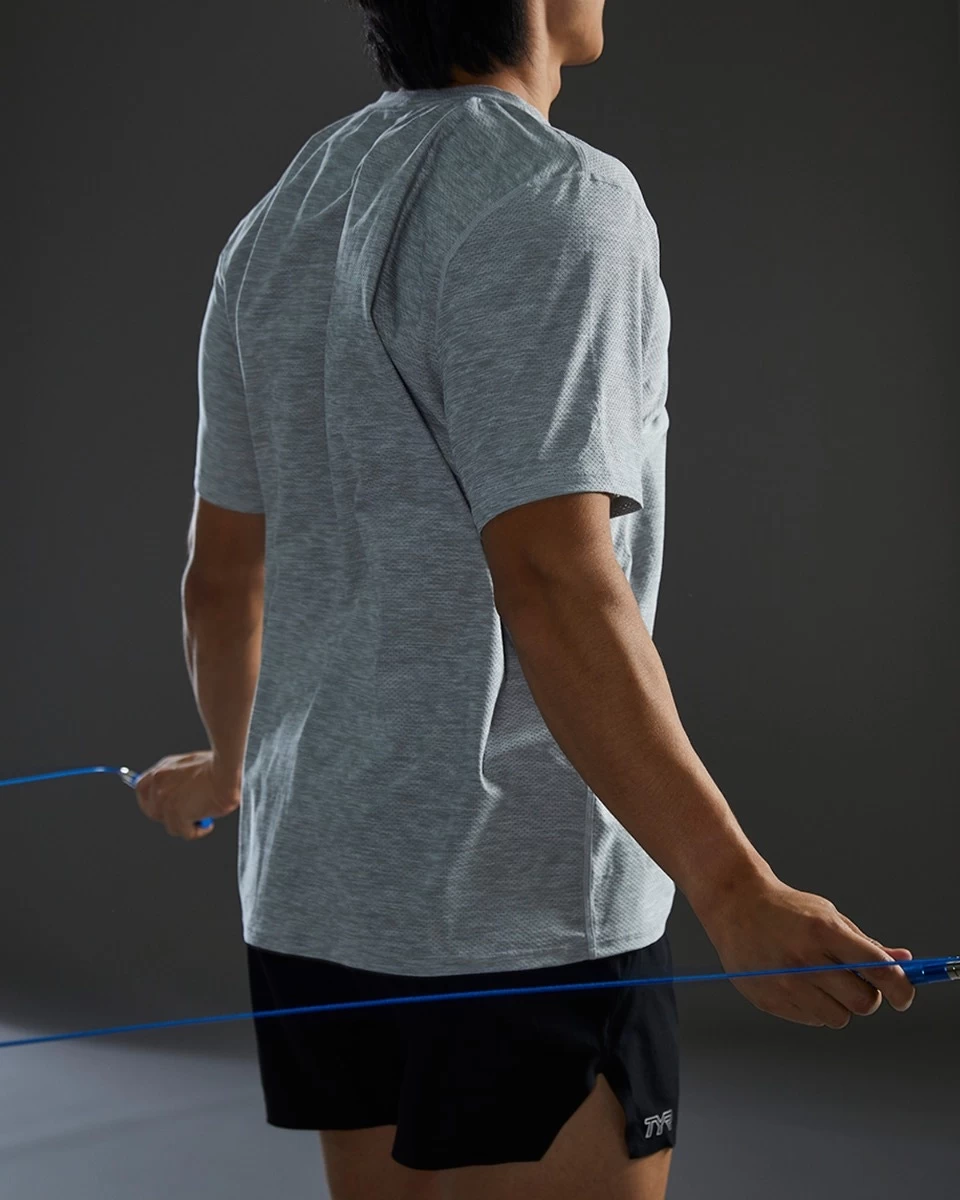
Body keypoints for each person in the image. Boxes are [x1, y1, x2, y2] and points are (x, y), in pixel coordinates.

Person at [134, 2, 917, 1197]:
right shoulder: (558, 194)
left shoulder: (283, 216)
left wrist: (235, 765)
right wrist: (734, 889)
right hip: (516, 912)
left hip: (315, 900)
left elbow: (224, 576)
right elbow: (552, 579)